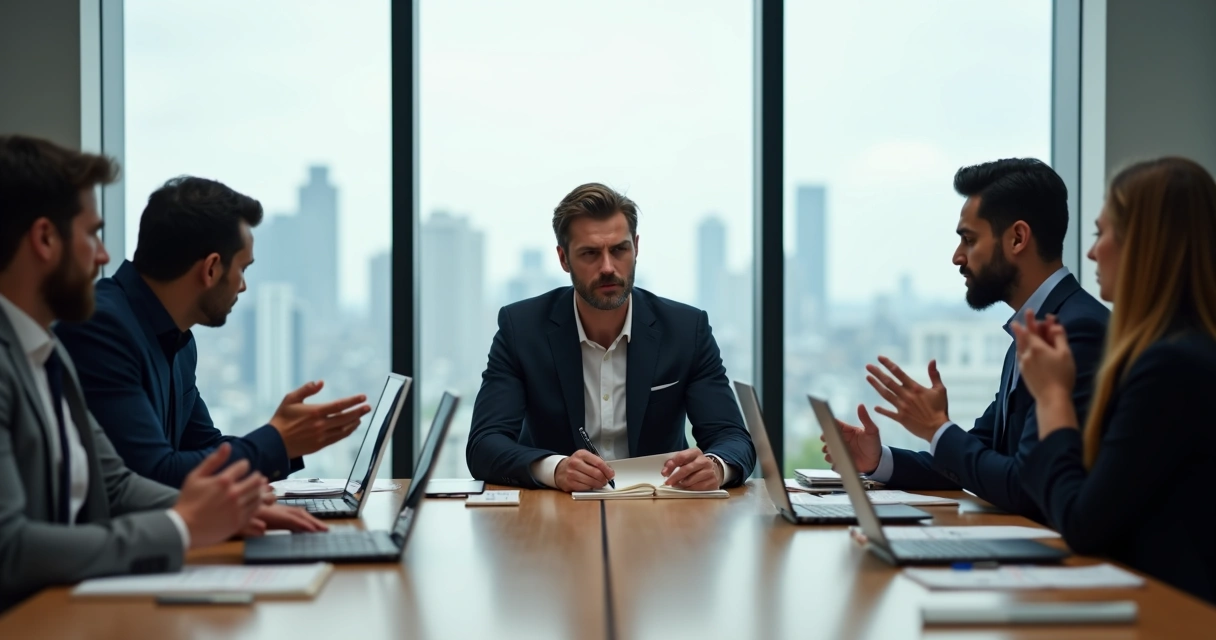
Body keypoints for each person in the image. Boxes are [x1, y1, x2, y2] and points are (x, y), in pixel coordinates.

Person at [0, 135, 316, 612]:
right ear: (45, 239)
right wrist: (187, 523)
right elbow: (10, 549)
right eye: (91, 234)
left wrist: (230, 509)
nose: (104, 256)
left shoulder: (44, 351)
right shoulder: (90, 329)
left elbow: (118, 485)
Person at [825, 158, 1110, 520]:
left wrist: (936, 428)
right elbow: (979, 454)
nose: (957, 257)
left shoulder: (1074, 332)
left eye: (969, 239)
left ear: (1018, 238)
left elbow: (1025, 484)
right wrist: (880, 460)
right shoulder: (1033, 329)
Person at [55, 176, 371, 488]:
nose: (244, 286)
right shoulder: (100, 326)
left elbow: (205, 448)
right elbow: (153, 473)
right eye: (243, 269)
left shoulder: (178, 341)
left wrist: (291, 442)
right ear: (210, 269)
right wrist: (279, 440)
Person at [1014, 157, 1216, 605]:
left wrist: (1051, 396)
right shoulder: (1182, 353)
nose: (1091, 252)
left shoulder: (1169, 368)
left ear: (1146, 245)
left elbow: (1082, 523)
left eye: (1100, 234)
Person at [466, 183, 756, 491]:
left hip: (661, 512)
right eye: (590, 253)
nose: (607, 267)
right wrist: (556, 468)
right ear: (563, 259)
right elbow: (485, 445)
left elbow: (733, 438)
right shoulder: (522, 328)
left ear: (636, 248)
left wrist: (715, 467)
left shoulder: (686, 329)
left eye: (619, 250)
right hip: (557, 512)